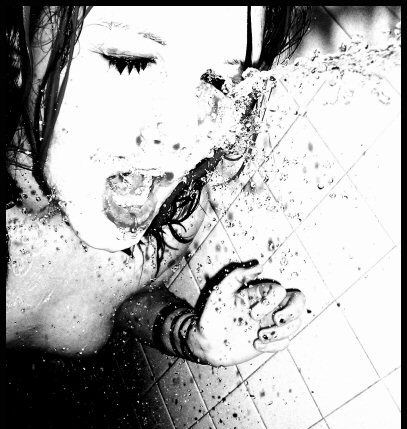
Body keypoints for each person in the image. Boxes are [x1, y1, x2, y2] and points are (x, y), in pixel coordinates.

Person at [5, 6, 310, 367]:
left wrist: (189, 335)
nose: (185, 135)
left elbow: (115, 294)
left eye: (217, 81)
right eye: (129, 63)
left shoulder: (180, 206)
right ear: (17, 43)